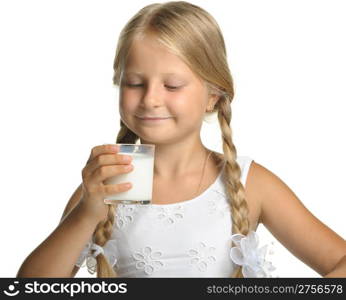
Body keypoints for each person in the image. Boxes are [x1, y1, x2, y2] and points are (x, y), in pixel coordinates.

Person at [17, 1, 346, 278]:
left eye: (172, 85)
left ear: (213, 96)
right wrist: (87, 213)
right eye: (134, 83)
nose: (150, 99)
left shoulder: (249, 184)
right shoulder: (106, 185)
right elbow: (30, 288)